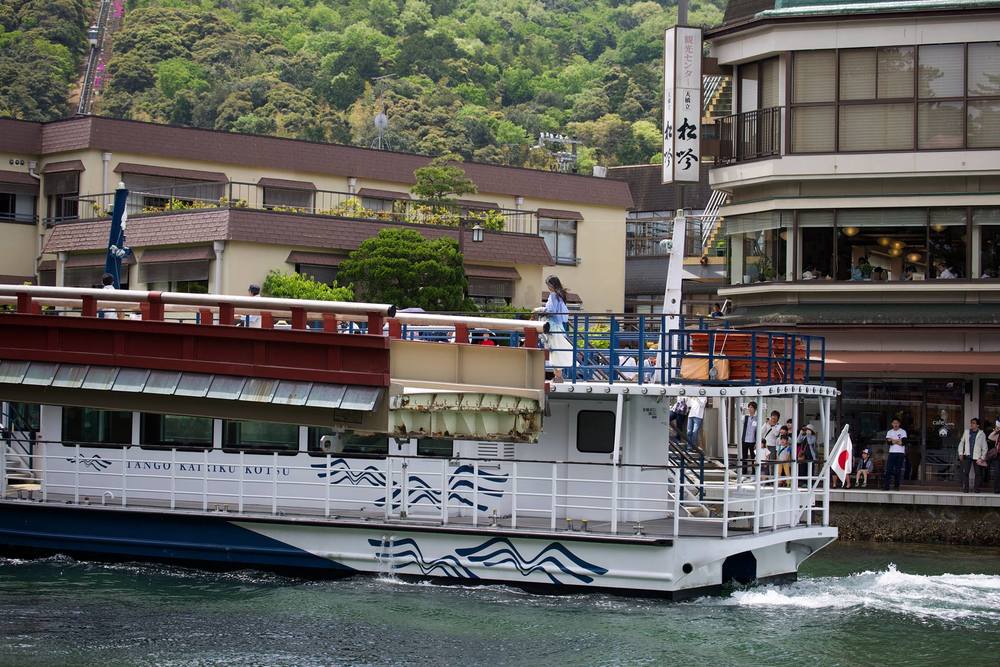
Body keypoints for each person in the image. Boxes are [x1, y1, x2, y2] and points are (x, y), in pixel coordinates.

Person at [535, 275, 572, 383]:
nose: (548, 287)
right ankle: (558, 376)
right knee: (557, 350)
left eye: (548, 285)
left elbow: (551, 310)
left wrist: (540, 309)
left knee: (555, 351)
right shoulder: (560, 295)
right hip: (559, 326)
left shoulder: (553, 295)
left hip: (553, 326)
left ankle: (558, 377)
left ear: (552, 285)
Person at [957, 417, 987, 493]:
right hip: (967, 455)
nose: (972, 424)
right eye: (971, 423)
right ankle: (966, 489)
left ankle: (976, 489)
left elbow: (985, 447)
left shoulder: (981, 434)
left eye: (973, 423)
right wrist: (960, 453)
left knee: (978, 474)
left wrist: (982, 457)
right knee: (965, 472)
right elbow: (961, 443)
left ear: (978, 425)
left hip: (977, 457)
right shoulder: (967, 432)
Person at [883, 418, 907, 491]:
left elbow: (903, 442)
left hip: (900, 453)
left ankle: (896, 486)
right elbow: (889, 442)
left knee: (898, 470)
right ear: (892, 424)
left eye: (897, 423)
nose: (895, 424)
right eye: (894, 423)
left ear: (899, 424)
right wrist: (898, 441)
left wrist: (893, 440)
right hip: (892, 453)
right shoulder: (889, 432)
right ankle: (886, 486)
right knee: (889, 469)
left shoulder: (903, 431)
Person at [740, 401, 758, 475]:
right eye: (749, 407)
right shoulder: (745, 417)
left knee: (753, 457)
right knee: (744, 456)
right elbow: (740, 419)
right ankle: (744, 471)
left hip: (753, 440)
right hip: (745, 440)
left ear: (755, 409)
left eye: (752, 407)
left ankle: (754, 471)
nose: (750, 409)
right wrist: (740, 410)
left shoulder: (757, 418)